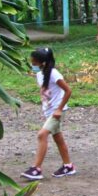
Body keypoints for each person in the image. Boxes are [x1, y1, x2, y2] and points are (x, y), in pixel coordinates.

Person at [22, 48, 76, 180]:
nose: (32, 63)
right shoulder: (40, 74)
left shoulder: (54, 73)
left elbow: (68, 91)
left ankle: (36, 169)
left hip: (57, 112)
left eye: (34, 61)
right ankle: (68, 166)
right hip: (49, 111)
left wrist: (59, 109)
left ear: (43, 62)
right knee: (58, 138)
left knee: (42, 135)